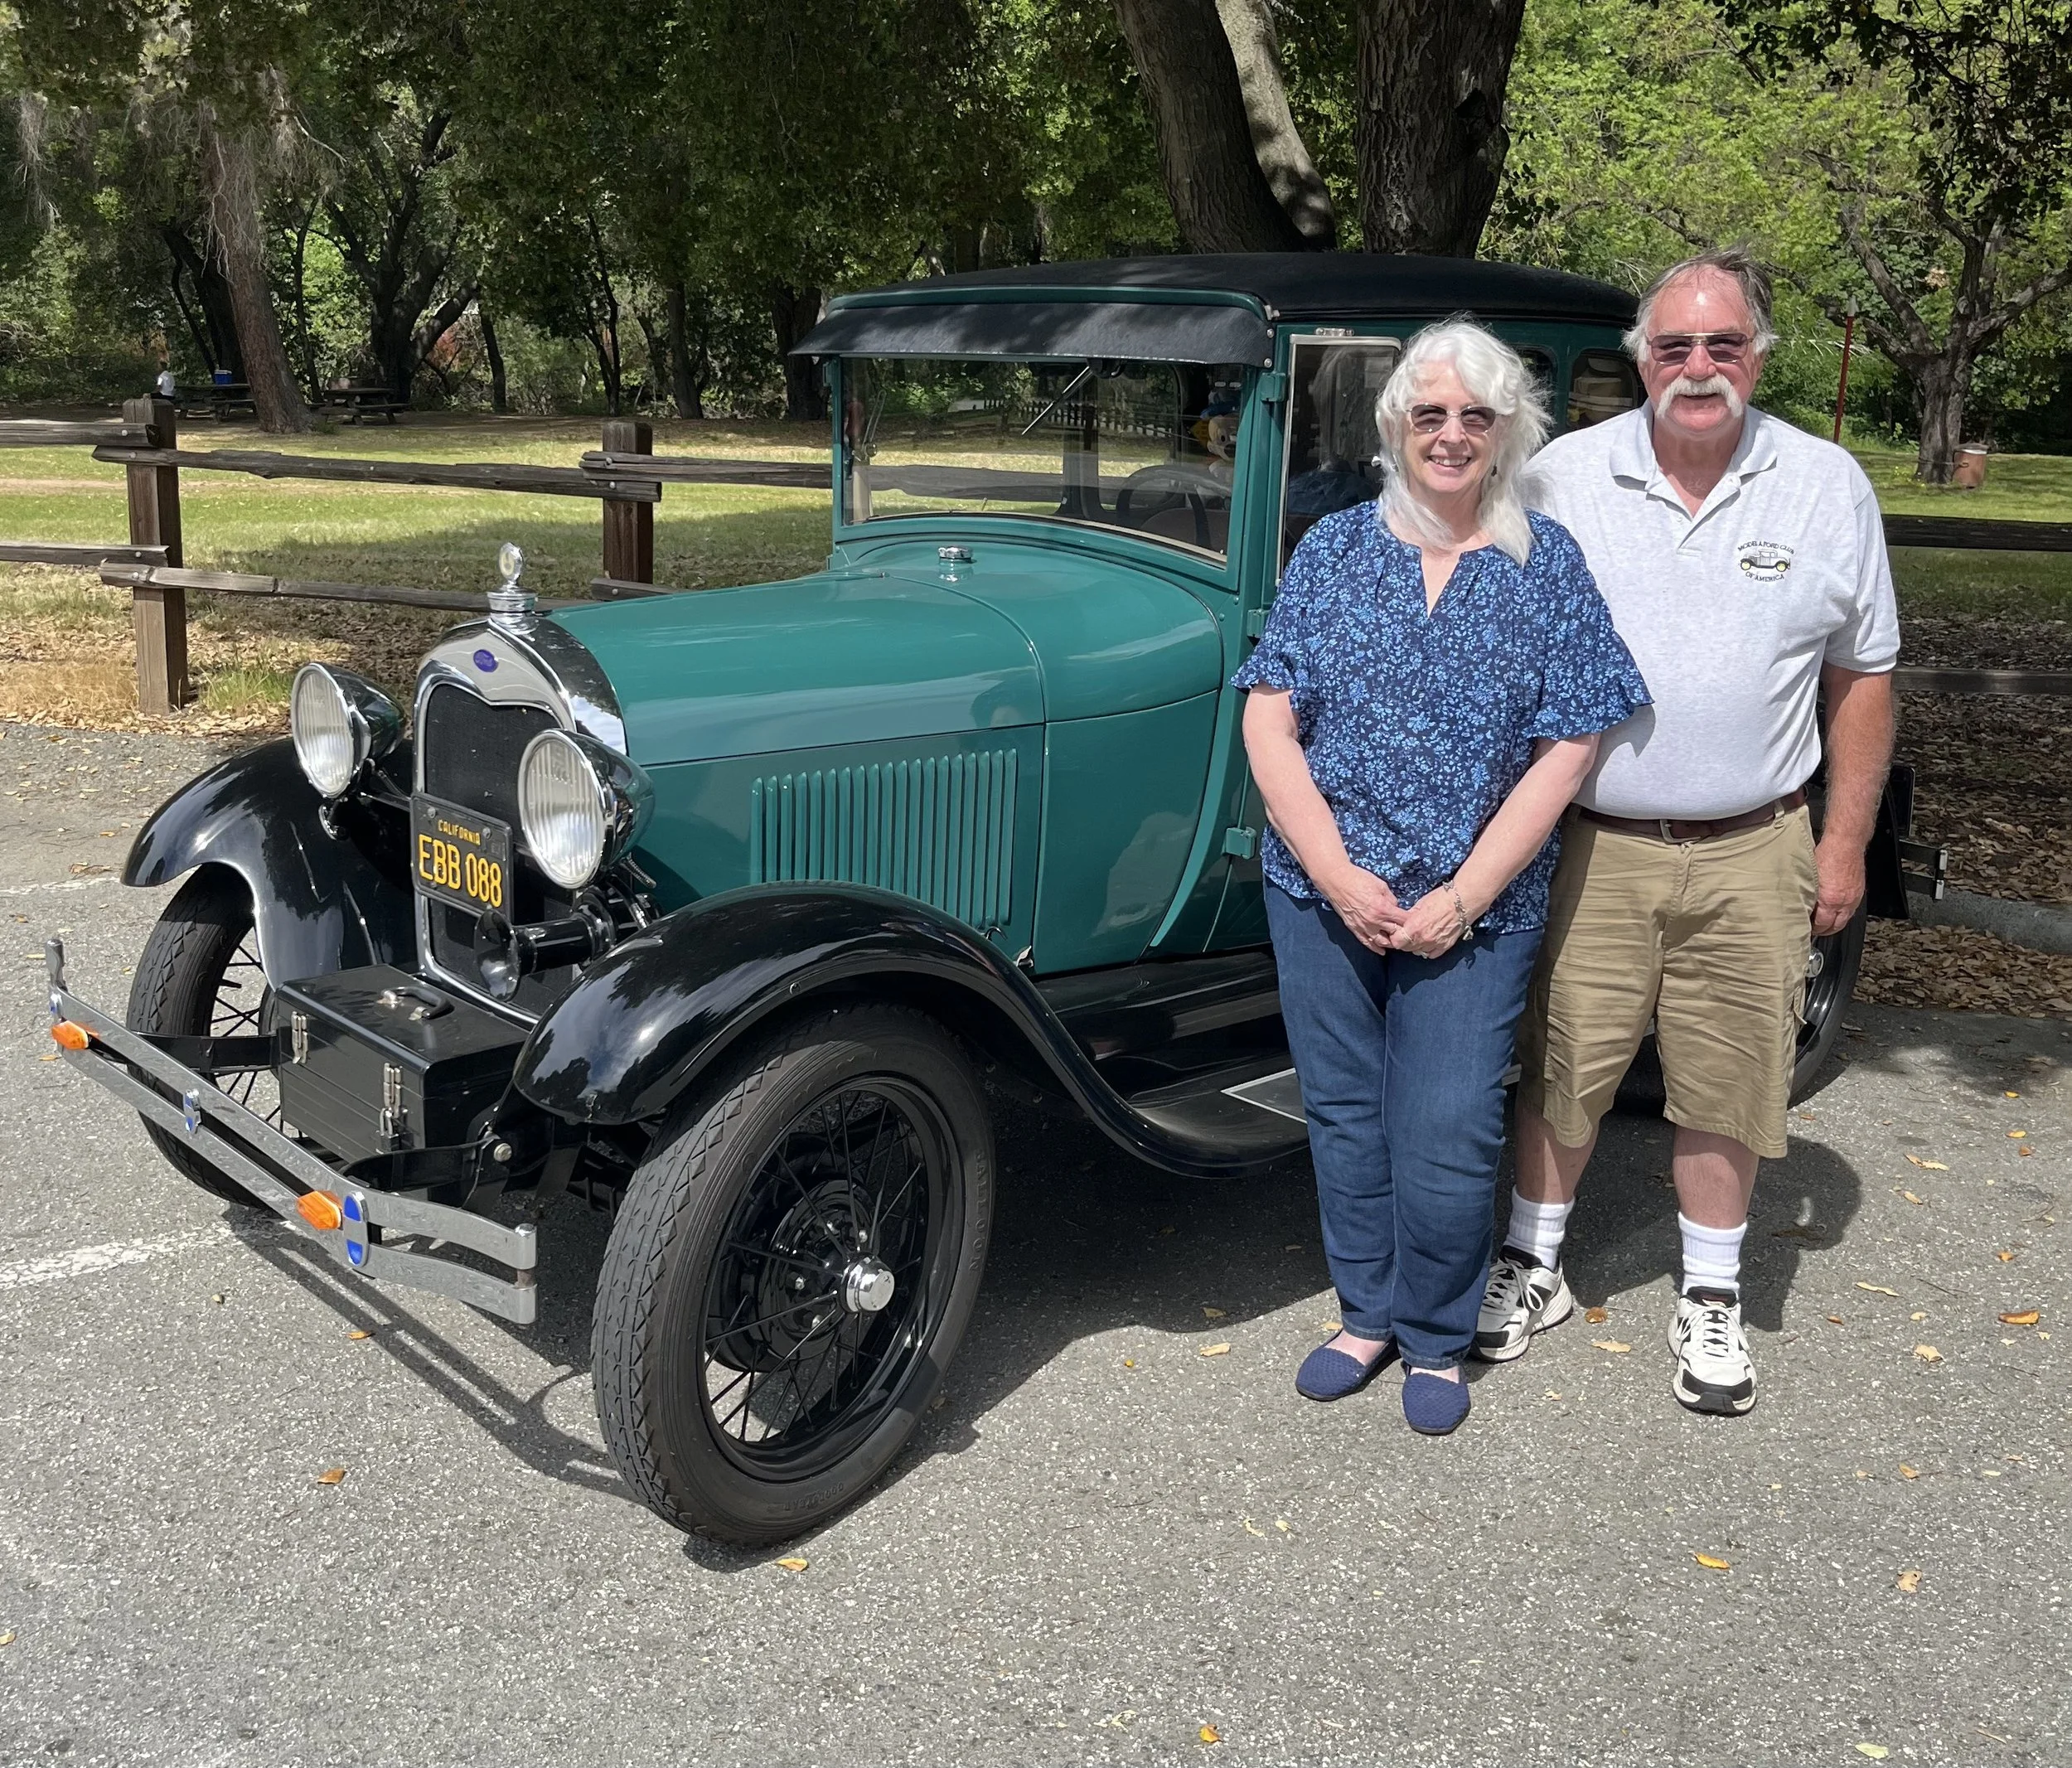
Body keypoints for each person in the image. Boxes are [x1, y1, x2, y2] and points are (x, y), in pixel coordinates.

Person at [1481, 248, 1900, 1416]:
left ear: (1760, 358)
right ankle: (1531, 1264)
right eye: (1675, 347)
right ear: (1641, 363)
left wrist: (1846, 844)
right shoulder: (1565, 474)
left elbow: (1863, 677)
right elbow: (1498, 641)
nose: (1699, 366)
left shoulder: (1825, 484)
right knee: (1563, 1062)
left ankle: (1710, 1293)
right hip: (1595, 839)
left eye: (1724, 345)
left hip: (1756, 838)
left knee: (1731, 1076)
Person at [1233, 319, 1649, 1436]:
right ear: (1395, 429)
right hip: (1325, 897)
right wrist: (1335, 870)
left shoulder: (1543, 565)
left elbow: (1573, 744)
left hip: (1477, 907)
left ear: (1510, 430)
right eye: (1430, 414)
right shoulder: (1332, 549)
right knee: (1345, 1111)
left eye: (1476, 415)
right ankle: (1363, 1315)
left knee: (1451, 1120)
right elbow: (1270, 718)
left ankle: (1434, 1331)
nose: (1452, 434)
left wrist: (1461, 896)